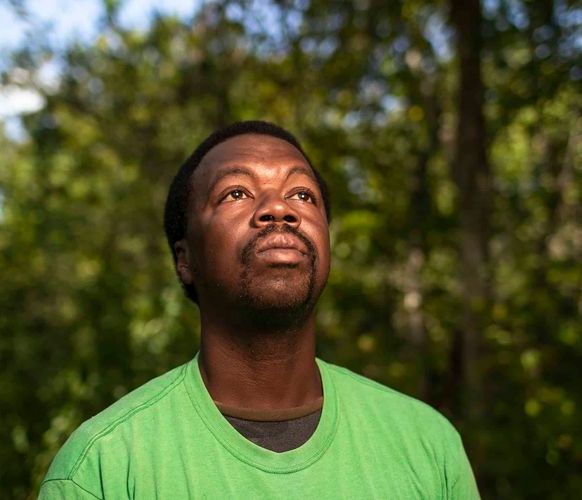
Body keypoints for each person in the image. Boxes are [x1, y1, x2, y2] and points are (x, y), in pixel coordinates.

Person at [38, 121, 480, 499]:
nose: (278, 209)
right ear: (184, 258)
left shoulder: (427, 444)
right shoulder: (102, 468)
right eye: (236, 192)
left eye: (303, 195)